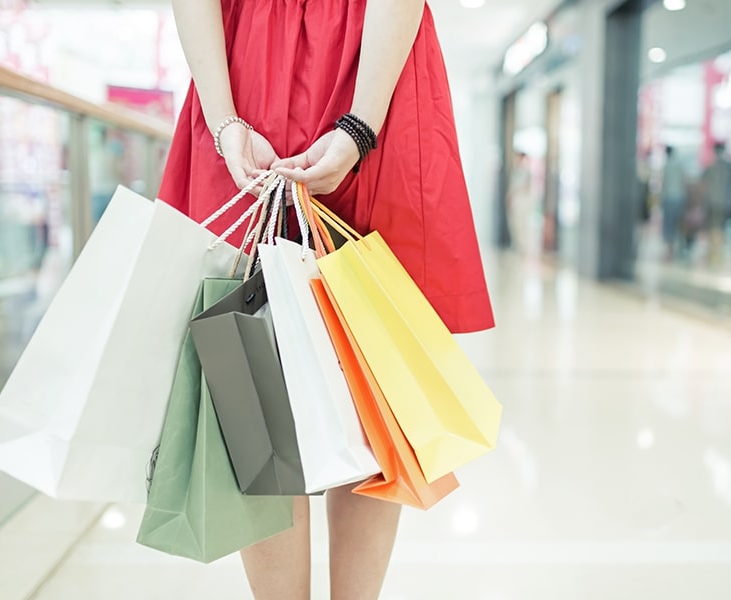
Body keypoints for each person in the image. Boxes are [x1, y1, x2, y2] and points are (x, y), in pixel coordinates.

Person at [159, 2, 495, 599]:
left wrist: (353, 124)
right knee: (254, 359)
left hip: (343, 67)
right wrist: (227, 121)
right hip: (285, 71)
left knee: (356, 373)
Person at [701, 142, 731, 259]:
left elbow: (703, 185)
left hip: (713, 201)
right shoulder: (730, 167)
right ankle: (716, 251)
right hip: (726, 202)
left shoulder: (710, 167)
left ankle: (715, 251)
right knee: (720, 226)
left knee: (714, 226)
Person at [660, 145, 687, 259]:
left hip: (669, 197)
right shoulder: (679, 165)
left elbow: (664, 184)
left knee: (668, 223)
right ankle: (678, 247)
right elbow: (683, 182)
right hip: (679, 198)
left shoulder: (666, 166)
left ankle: (669, 248)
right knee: (678, 223)